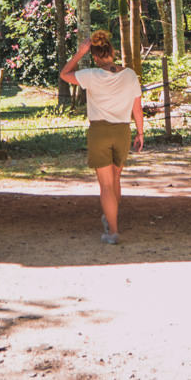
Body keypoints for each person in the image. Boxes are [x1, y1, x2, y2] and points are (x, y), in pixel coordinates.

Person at [60, 29, 144, 244]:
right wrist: (140, 133)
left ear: (95, 56)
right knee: (116, 179)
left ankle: (112, 231)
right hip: (123, 131)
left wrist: (79, 54)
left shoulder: (91, 75)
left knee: (105, 185)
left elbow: (64, 74)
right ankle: (110, 219)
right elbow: (137, 108)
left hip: (99, 132)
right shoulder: (130, 75)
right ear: (113, 52)